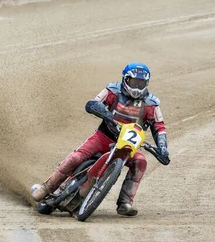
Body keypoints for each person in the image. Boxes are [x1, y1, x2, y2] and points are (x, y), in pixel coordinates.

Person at [31, 63, 169, 216]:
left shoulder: (152, 103)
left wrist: (163, 147)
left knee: (141, 162)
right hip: (103, 137)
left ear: (147, 84)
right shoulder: (112, 91)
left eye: (141, 83)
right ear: (125, 79)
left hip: (130, 146)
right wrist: (103, 111)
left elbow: (159, 127)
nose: (137, 86)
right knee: (76, 157)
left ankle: (125, 203)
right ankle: (46, 188)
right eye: (134, 82)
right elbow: (93, 102)